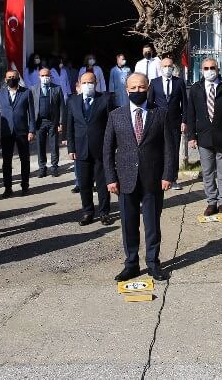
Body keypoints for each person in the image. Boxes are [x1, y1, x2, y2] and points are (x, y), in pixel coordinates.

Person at [103, 73, 178, 282]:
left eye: (141, 87)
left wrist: (168, 175)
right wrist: (110, 178)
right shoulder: (115, 115)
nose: (137, 91)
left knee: (152, 224)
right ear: (126, 90)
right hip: (125, 180)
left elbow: (169, 148)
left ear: (148, 88)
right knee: (128, 224)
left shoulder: (160, 114)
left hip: (153, 179)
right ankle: (132, 264)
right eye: (133, 88)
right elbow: (107, 151)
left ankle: (153, 263)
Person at [185, 58, 222, 216]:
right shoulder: (196, 88)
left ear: (218, 69)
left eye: (212, 68)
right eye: (206, 68)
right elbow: (191, 114)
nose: (209, 70)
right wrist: (191, 136)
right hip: (203, 137)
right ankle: (211, 202)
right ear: (201, 70)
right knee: (208, 171)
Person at [66, 72, 112, 226]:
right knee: (84, 184)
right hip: (81, 149)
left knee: (102, 183)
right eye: (84, 82)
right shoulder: (73, 101)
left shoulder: (105, 99)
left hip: (100, 149)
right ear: (80, 83)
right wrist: (71, 148)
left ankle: (104, 212)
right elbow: (70, 127)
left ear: (96, 83)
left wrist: (111, 147)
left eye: (90, 82)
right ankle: (88, 212)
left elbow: (111, 126)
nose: (87, 85)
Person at [0, 69, 36, 197]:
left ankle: (25, 186)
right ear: (5, 79)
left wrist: (32, 130)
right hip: (6, 133)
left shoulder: (26, 92)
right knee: (6, 162)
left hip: (22, 132)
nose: (12, 79)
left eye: (14, 77)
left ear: (18, 78)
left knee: (24, 160)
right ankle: (8, 188)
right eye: (9, 77)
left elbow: (31, 114)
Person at [146, 56, 188, 189]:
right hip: (158, 122)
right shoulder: (154, 82)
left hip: (175, 122)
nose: (167, 68)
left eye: (170, 66)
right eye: (165, 66)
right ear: (160, 68)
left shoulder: (179, 82)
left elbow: (185, 104)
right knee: (158, 150)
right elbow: (150, 103)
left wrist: (184, 121)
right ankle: (159, 177)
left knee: (174, 150)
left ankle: (173, 178)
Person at [32, 66, 65, 178]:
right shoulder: (33, 89)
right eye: (43, 76)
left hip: (53, 122)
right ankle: (42, 168)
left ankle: (54, 167)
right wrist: (31, 125)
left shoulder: (57, 88)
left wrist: (61, 122)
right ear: (39, 77)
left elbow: (62, 107)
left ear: (50, 77)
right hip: (39, 122)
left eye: (47, 75)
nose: (45, 77)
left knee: (54, 145)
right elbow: (31, 109)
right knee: (40, 146)